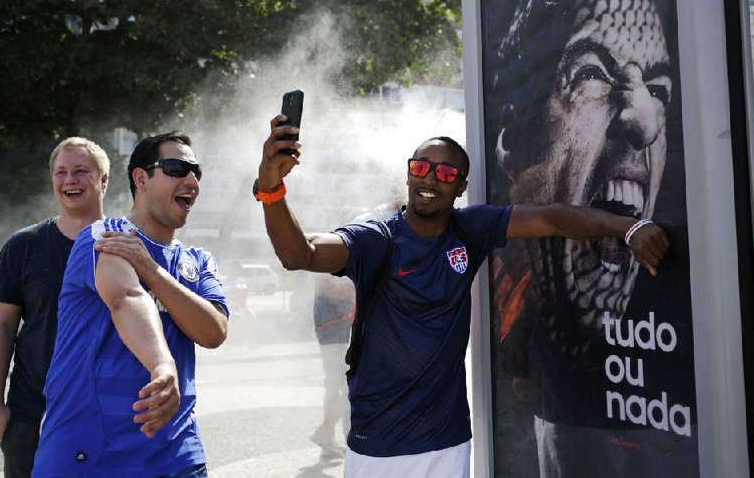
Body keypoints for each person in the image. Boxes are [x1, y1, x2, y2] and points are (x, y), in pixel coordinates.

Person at [256, 118, 670, 477]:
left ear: (461, 187)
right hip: (380, 444)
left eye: (446, 174)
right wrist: (272, 190)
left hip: (448, 442)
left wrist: (627, 227)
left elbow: (551, 217)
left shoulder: (472, 229)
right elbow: (300, 253)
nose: (430, 179)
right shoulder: (377, 237)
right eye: (421, 168)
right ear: (408, 175)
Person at [485, 0, 692, 475]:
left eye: (660, 91)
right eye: (594, 74)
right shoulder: (506, 270)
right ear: (512, 139)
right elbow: (555, 218)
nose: (643, 122)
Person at [33, 131, 228, 477]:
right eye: (176, 168)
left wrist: (151, 270)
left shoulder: (199, 261)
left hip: (179, 459)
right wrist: (162, 365)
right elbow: (126, 298)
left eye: (196, 171)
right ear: (141, 178)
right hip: (88, 459)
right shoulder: (103, 235)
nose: (191, 180)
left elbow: (214, 331)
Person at [0, 137, 109, 477]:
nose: (70, 180)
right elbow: (1, 326)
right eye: (61, 172)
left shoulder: (124, 244)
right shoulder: (25, 245)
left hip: (110, 415)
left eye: (81, 171)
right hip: (33, 414)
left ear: (104, 180)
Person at [310, 273, 354, 458]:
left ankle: (327, 437)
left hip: (337, 329)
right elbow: (328, 287)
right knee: (342, 387)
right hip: (335, 330)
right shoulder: (326, 266)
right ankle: (329, 433)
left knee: (339, 386)